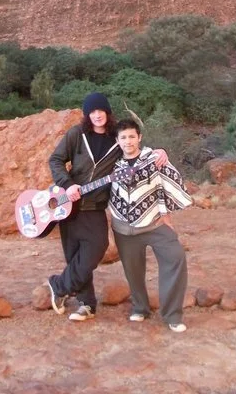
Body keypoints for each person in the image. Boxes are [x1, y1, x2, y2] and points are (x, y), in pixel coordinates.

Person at [46, 92, 168, 322]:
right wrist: (67, 184)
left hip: (95, 206)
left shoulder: (116, 138)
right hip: (68, 205)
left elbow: (135, 150)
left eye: (101, 110)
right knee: (74, 257)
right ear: (87, 114)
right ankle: (86, 305)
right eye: (92, 111)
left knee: (97, 248)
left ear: (107, 112)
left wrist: (159, 152)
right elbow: (55, 160)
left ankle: (59, 285)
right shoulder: (76, 134)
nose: (97, 115)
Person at [109, 118, 192, 333]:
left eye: (132, 137)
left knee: (175, 257)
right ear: (117, 141)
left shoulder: (153, 159)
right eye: (123, 137)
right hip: (123, 229)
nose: (128, 141)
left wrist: (167, 214)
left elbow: (168, 183)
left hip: (153, 223)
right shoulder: (112, 164)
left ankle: (172, 315)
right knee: (133, 271)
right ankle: (140, 308)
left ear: (139, 138)